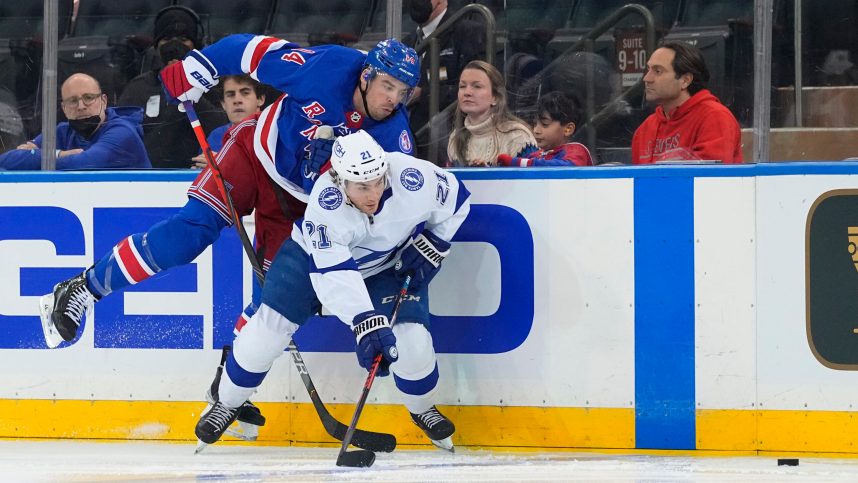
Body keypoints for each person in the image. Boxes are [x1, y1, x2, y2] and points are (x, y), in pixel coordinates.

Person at [39, 35, 420, 438]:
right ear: (366, 76)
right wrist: (195, 68)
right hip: (256, 154)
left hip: (307, 205)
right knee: (188, 235)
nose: (392, 99)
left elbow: (392, 205)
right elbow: (250, 50)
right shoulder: (327, 66)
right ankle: (83, 288)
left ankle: (227, 385)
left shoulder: (394, 138)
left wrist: (412, 238)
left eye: (402, 91)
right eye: (387, 86)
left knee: (274, 298)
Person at [194, 130, 471, 453]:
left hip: (385, 265)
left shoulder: (412, 175)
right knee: (267, 330)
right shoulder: (326, 206)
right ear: (340, 181)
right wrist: (366, 323)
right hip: (309, 260)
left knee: (412, 341)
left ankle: (422, 407)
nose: (373, 194)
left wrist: (435, 242)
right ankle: (227, 402)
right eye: (362, 187)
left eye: (378, 181)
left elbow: (457, 198)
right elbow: (335, 275)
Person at [118, 5, 228, 169]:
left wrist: (190, 91)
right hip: (150, 180)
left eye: (183, 40)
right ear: (156, 45)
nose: (174, 47)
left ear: (195, 44)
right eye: (167, 40)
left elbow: (223, 130)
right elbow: (124, 142)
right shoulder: (139, 87)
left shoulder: (214, 85)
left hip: (201, 176)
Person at [0, 73, 150, 170]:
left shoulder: (123, 132)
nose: (81, 106)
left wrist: (36, 156)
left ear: (104, 101)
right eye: (72, 101)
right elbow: (7, 160)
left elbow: (84, 164)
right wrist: (60, 155)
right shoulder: (62, 131)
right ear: (64, 108)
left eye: (88, 98)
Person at [631, 41, 742, 164]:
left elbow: (709, 179)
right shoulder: (645, 129)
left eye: (658, 71)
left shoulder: (715, 118)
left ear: (685, 80)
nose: (647, 78)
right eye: (648, 70)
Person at [403, 0, 486, 160]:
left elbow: (477, 90)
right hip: (410, 138)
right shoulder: (409, 42)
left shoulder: (468, 32)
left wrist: (423, 94)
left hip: (446, 138)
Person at [447, 60, 537, 167]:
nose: (467, 92)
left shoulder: (518, 136)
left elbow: (533, 180)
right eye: (462, 86)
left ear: (495, 98)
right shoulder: (455, 138)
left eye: (477, 86)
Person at [497, 92, 593, 167]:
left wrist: (516, 162)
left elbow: (565, 169)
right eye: (535, 124)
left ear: (568, 129)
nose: (536, 130)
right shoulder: (535, 156)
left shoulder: (576, 151)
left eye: (545, 124)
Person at [190, 74, 265, 168]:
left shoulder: (275, 131)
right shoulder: (217, 136)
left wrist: (224, 163)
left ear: (260, 99)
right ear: (223, 104)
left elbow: (280, 176)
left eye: (245, 93)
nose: (237, 100)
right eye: (230, 95)